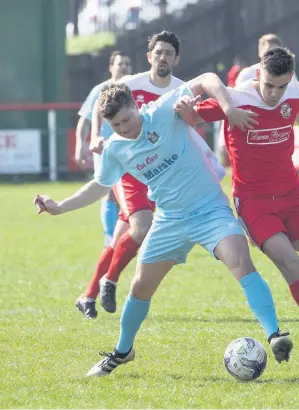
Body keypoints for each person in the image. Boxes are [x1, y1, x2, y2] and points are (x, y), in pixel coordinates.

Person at [34, 73, 293, 376]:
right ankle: (123, 350)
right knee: (140, 286)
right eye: (115, 125)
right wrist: (60, 207)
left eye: (126, 120)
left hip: (210, 209)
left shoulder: (162, 110)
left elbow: (207, 79)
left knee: (239, 260)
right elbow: (99, 185)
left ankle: (275, 335)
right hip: (169, 219)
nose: (123, 129)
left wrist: (229, 108)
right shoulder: (116, 148)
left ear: (136, 106)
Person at [174, 47, 299, 367]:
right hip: (254, 202)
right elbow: (192, 113)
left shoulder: (291, 94)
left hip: (294, 196)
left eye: (281, 87)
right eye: (268, 86)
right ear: (258, 76)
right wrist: (185, 108)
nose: (273, 94)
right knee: (292, 265)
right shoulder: (235, 100)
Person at [76, 31, 221, 319]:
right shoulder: (131, 84)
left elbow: (193, 120)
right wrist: (94, 136)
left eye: (169, 53)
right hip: (127, 168)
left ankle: (88, 295)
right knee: (141, 227)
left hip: (157, 175)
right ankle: (110, 281)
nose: (163, 57)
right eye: (158, 52)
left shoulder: (181, 89)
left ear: (176, 59)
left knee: (122, 237)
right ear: (149, 56)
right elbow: (99, 103)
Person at [75, 50, 132, 246]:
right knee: (108, 190)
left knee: (130, 192)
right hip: (105, 149)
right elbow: (84, 120)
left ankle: (129, 234)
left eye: (127, 63)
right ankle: (110, 237)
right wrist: (80, 146)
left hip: (130, 149)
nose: (124, 67)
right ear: (111, 67)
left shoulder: (132, 89)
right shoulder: (100, 90)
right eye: (120, 63)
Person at [235, 33, 299, 148]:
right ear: (260, 52)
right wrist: (223, 139)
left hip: (277, 135)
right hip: (251, 136)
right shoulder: (246, 75)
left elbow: (296, 105)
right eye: (269, 51)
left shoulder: (287, 75)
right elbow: (233, 103)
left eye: (276, 51)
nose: (273, 56)